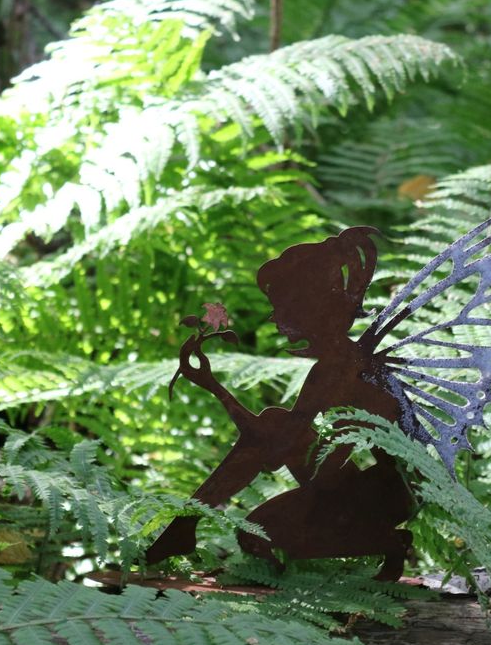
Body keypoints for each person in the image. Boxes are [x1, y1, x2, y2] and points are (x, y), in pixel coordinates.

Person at [145, 227, 414, 580]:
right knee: (274, 424)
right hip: (357, 486)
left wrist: (221, 395)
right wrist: (214, 387)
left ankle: (385, 542)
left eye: (281, 307)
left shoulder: (338, 368)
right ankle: (186, 526)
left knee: (255, 535)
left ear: (310, 308)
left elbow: (278, 444)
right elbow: (278, 439)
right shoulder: (342, 361)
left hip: (377, 497)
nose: (274, 317)